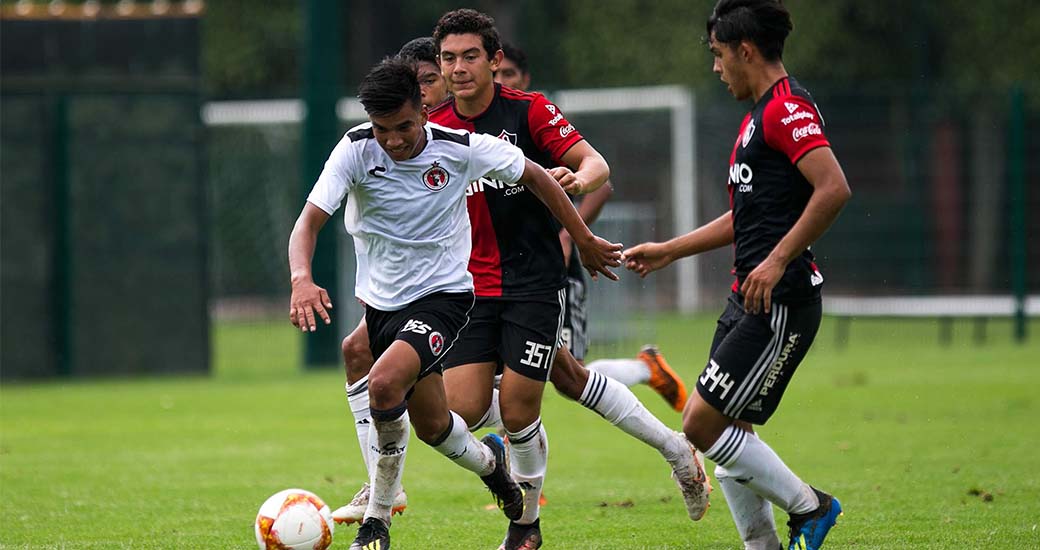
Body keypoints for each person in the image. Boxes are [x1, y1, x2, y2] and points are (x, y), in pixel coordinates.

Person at [288, 57, 621, 550]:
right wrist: (301, 278)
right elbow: (308, 223)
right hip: (382, 306)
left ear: (423, 110)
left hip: (445, 298)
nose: (395, 140)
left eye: (403, 127)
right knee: (435, 426)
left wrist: (583, 237)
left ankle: (377, 519)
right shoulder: (355, 149)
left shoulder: (460, 148)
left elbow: (536, 176)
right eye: (383, 130)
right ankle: (494, 469)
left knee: (382, 384)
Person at [432, 10, 709, 549]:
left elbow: (595, 164)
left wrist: (577, 179)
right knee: (460, 411)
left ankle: (525, 525)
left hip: (536, 283)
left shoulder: (530, 111)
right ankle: (670, 445)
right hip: (470, 289)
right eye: (449, 58)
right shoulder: (434, 125)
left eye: (470, 56)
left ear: (494, 61)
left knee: (521, 407)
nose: (459, 68)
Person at [623, 2, 851, 549]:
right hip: (746, 299)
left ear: (745, 50)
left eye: (719, 55)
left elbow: (834, 188)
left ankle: (811, 507)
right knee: (730, 430)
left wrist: (775, 261)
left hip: (781, 302)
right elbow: (745, 217)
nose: (716, 68)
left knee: (701, 426)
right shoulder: (758, 115)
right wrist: (672, 251)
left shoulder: (784, 109)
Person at [495, 41, 690, 413]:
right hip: (502, 271)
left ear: (525, 78)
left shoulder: (536, 121)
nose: (503, 80)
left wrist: (570, 235)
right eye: (498, 74)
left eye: (510, 74)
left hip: (551, 271)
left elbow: (602, 185)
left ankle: (643, 369)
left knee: (567, 374)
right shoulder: (481, 125)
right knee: (546, 373)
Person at [331, 37, 454, 527]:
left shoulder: (462, 138)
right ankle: (385, 484)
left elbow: (527, 173)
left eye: (431, 78)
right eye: (420, 78)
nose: (426, 88)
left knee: (465, 408)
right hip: (404, 292)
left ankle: (380, 509)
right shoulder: (371, 143)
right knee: (359, 352)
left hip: (466, 283)